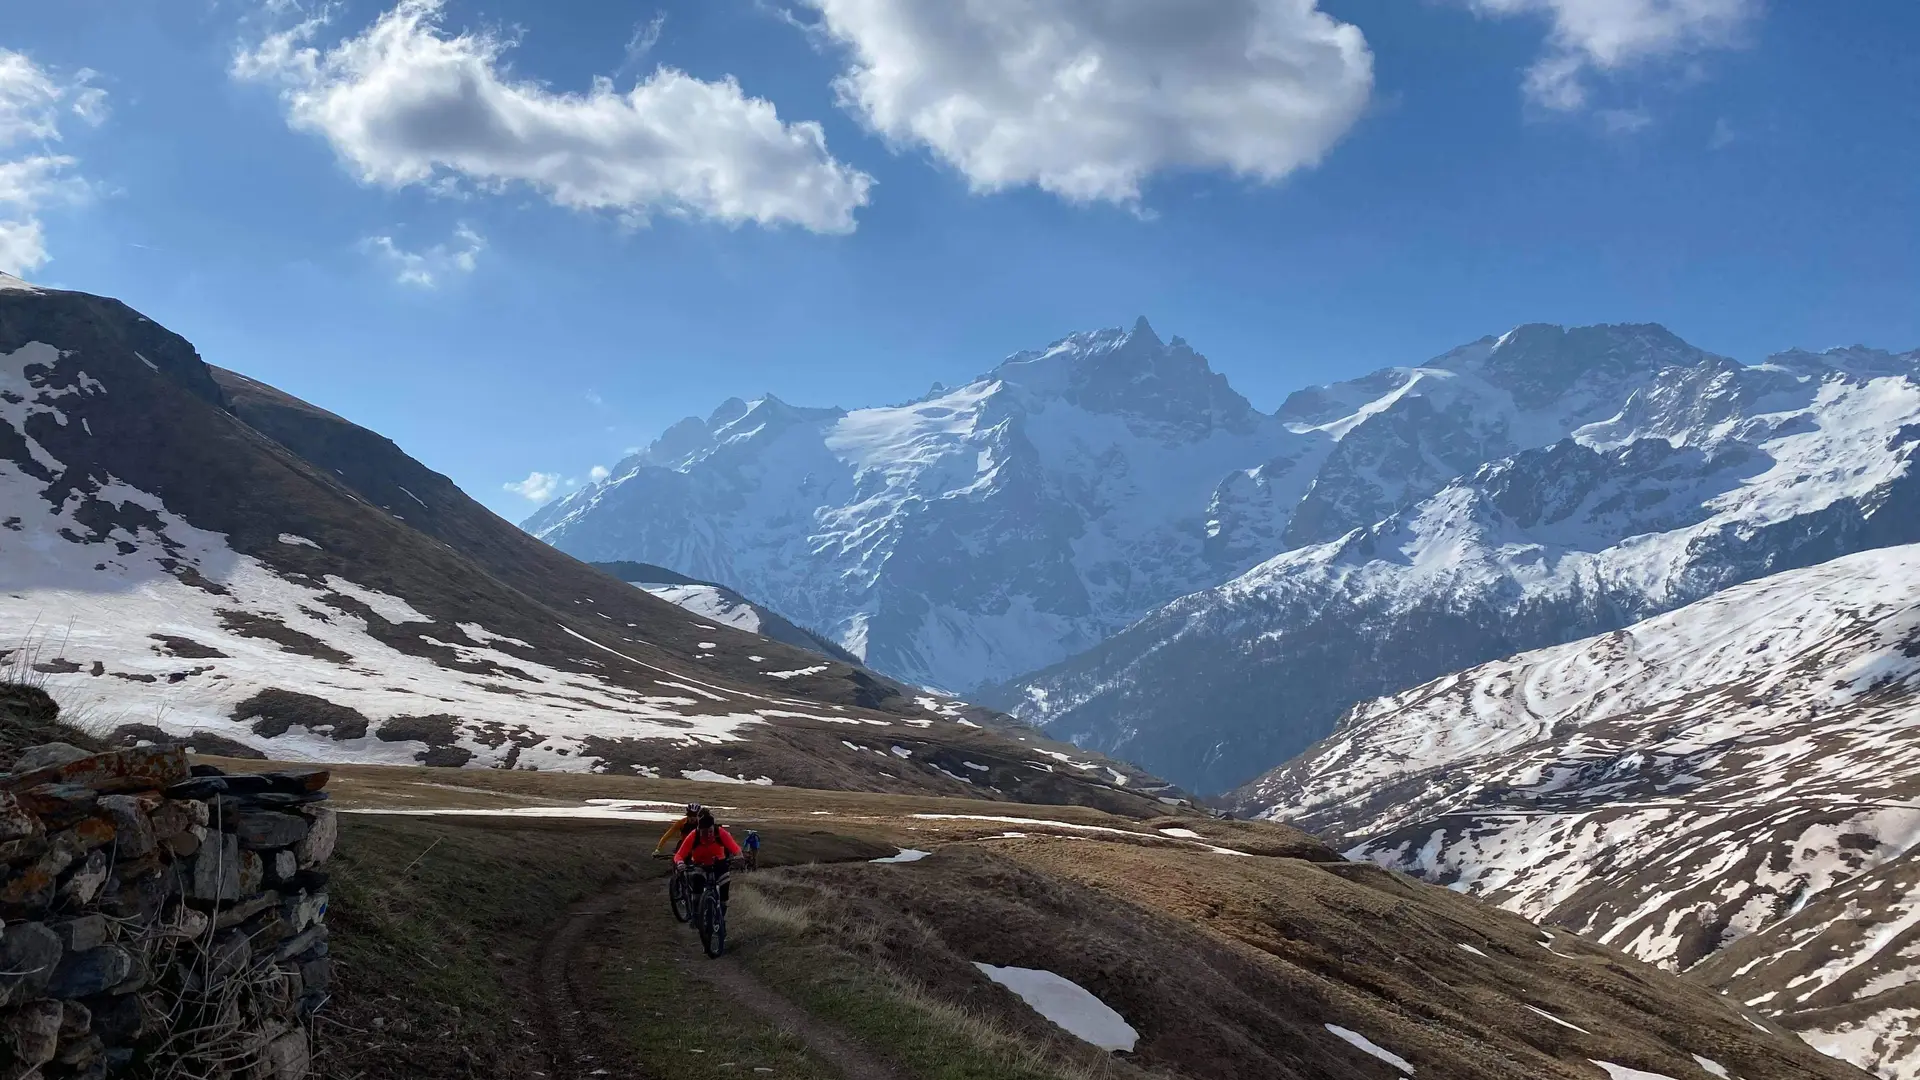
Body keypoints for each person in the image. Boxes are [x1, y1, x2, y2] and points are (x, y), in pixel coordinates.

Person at [673, 810, 743, 911]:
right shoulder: (693, 835)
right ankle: (696, 913)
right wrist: (680, 863)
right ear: (699, 830)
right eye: (704, 833)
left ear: (713, 827)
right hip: (699, 865)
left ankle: (721, 910)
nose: (708, 835)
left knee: (724, 895)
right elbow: (679, 855)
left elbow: (735, 849)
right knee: (696, 895)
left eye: (710, 831)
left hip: (719, 863)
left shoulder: (720, 832)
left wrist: (739, 856)